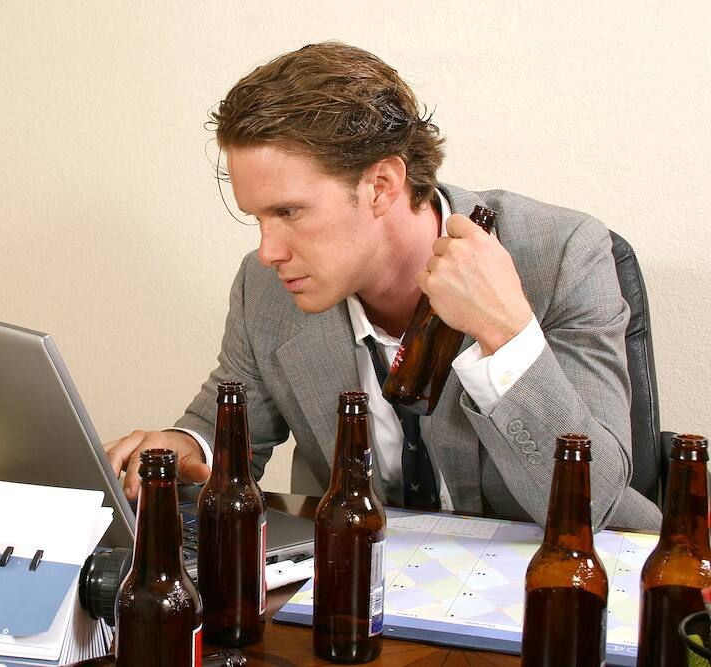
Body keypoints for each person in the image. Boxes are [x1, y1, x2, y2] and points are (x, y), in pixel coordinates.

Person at [103, 41, 661, 531]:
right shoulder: (265, 287)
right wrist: (183, 448)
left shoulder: (560, 255)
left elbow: (596, 509)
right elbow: (226, 432)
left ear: (382, 185)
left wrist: (505, 333)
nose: (268, 250)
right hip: (356, 590)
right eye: (258, 218)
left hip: (541, 595)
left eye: (289, 212)